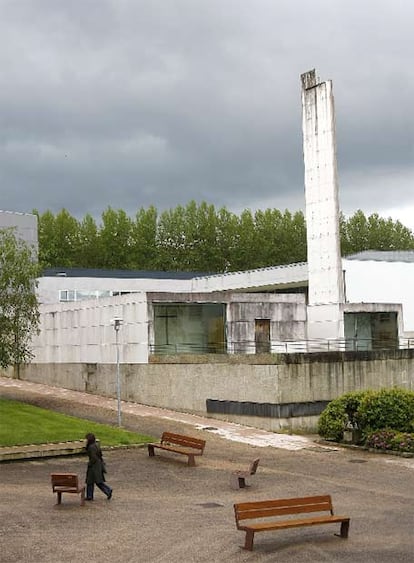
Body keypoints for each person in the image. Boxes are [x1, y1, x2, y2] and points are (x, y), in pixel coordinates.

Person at [84, 433, 113, 501]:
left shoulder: (91, 447)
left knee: (93, 481)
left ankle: (107, 490)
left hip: (94, 466)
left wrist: (90, 463)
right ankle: (90, 495)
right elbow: (100, 455)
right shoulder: (96, 445)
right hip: (98, 465)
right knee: (94, 481)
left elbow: (93, 458)